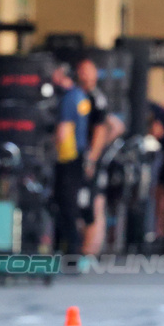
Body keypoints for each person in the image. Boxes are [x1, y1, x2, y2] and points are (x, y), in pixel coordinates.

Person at [77, 59, 126, 256]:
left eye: (89, 72)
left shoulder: (96, 99)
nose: (85, 76)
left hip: (91, 161)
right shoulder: (78, 95)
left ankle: (89, 252)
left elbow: (108, 128)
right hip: (79, 157)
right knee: (84, 204)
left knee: (94, 203)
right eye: (82, 72)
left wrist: (93, 155)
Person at [51, 63, 92, 266]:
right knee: (71, 205)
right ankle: (70, 251)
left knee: (65, 205)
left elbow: (63, 132)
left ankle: (71, 253)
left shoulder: (67, 98)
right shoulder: (80, 96)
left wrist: (50, 150)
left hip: (67, 159)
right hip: (79, 157)